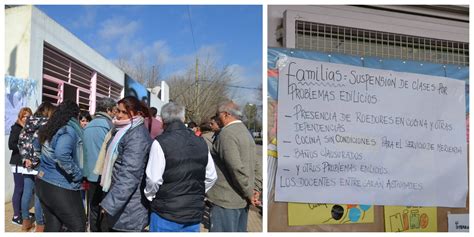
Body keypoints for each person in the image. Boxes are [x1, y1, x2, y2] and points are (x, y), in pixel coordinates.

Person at [144, 102, 217, 232]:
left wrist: (150, 196)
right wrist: (196, 193)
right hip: (192, 212)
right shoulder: (200, 142)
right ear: (183, 119)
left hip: (165, 212)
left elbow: (154, 179)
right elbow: (211, 176)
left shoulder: (160, 142)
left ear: (163, 121)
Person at [99, 96, 152, 232]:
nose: (119, 115)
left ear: (137, 114)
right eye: (118, 111)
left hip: (130, 207)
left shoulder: (137, 136)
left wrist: (109, 204)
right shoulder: (122, 130)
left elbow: (130, 175)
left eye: (124, 112)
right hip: (121, 203)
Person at [207, 101, 262, 232]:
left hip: (226, 201)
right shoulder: (246, 132)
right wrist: (256, 189)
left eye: (217, 115)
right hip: (242, 199)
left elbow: (235, 168)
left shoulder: (226, 134)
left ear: (226, 114)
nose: (215, 118)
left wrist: (250, 193)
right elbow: (256, 164)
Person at [35, 100, 86, 232]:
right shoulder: (68, 130)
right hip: (59, 185)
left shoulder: (50, 127)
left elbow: (36, 146)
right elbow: (62, 154)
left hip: (43, 182)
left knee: (53, 225)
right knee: (78, 226)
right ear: (75, 115)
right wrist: (77, 174)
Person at [18, 101, 56, 232]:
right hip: (40, 164)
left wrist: (26, 159)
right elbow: (40, 144)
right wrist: (34, 160)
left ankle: (25, 221)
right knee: (39, 195)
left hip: (27, 163)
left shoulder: (28, 122)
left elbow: (21, 141)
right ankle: (40, 225)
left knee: (27, 192)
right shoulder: (47, 124)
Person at [82, 97, 116, 232]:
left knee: (93, 208)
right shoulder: (109, 126)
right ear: (108, 110)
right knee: (105, 210)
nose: (115, 113)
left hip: (90, 174)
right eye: (114, 110)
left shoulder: (87, 125)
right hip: (104, 175)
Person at [9, 107, 33, 227]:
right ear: (20, 117)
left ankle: (24, 212)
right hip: (18, 162)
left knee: (26, 189)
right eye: (24, 116)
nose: (27, 118)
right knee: (19, 189)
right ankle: (16, 216)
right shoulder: (16, 128)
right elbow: (11, 145)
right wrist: (25, 147)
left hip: (27, 163)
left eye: (29, 116)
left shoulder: (30, 129)